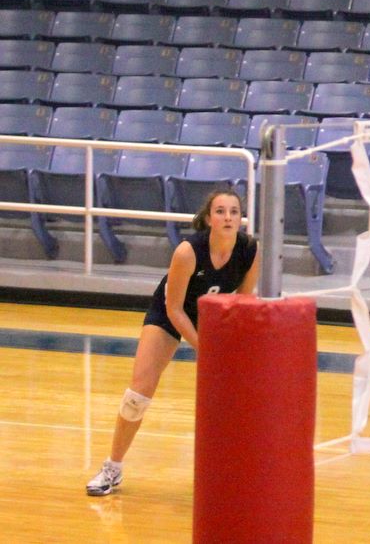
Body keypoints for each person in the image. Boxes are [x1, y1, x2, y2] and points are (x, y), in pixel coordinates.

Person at [86, 189, 259, 496]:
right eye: (220, 211)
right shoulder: (187, 252)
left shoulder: (249, 250)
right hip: (170, 313)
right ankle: (112, 467)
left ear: (241, 218)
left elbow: (243, 301)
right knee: (137, 395)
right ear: (209, 218)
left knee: (238, 394)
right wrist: (204, 347)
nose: (228, 217)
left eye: (234, 211)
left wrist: (231, 345)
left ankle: (237, 471)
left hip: (213, 316)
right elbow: (174, 309)